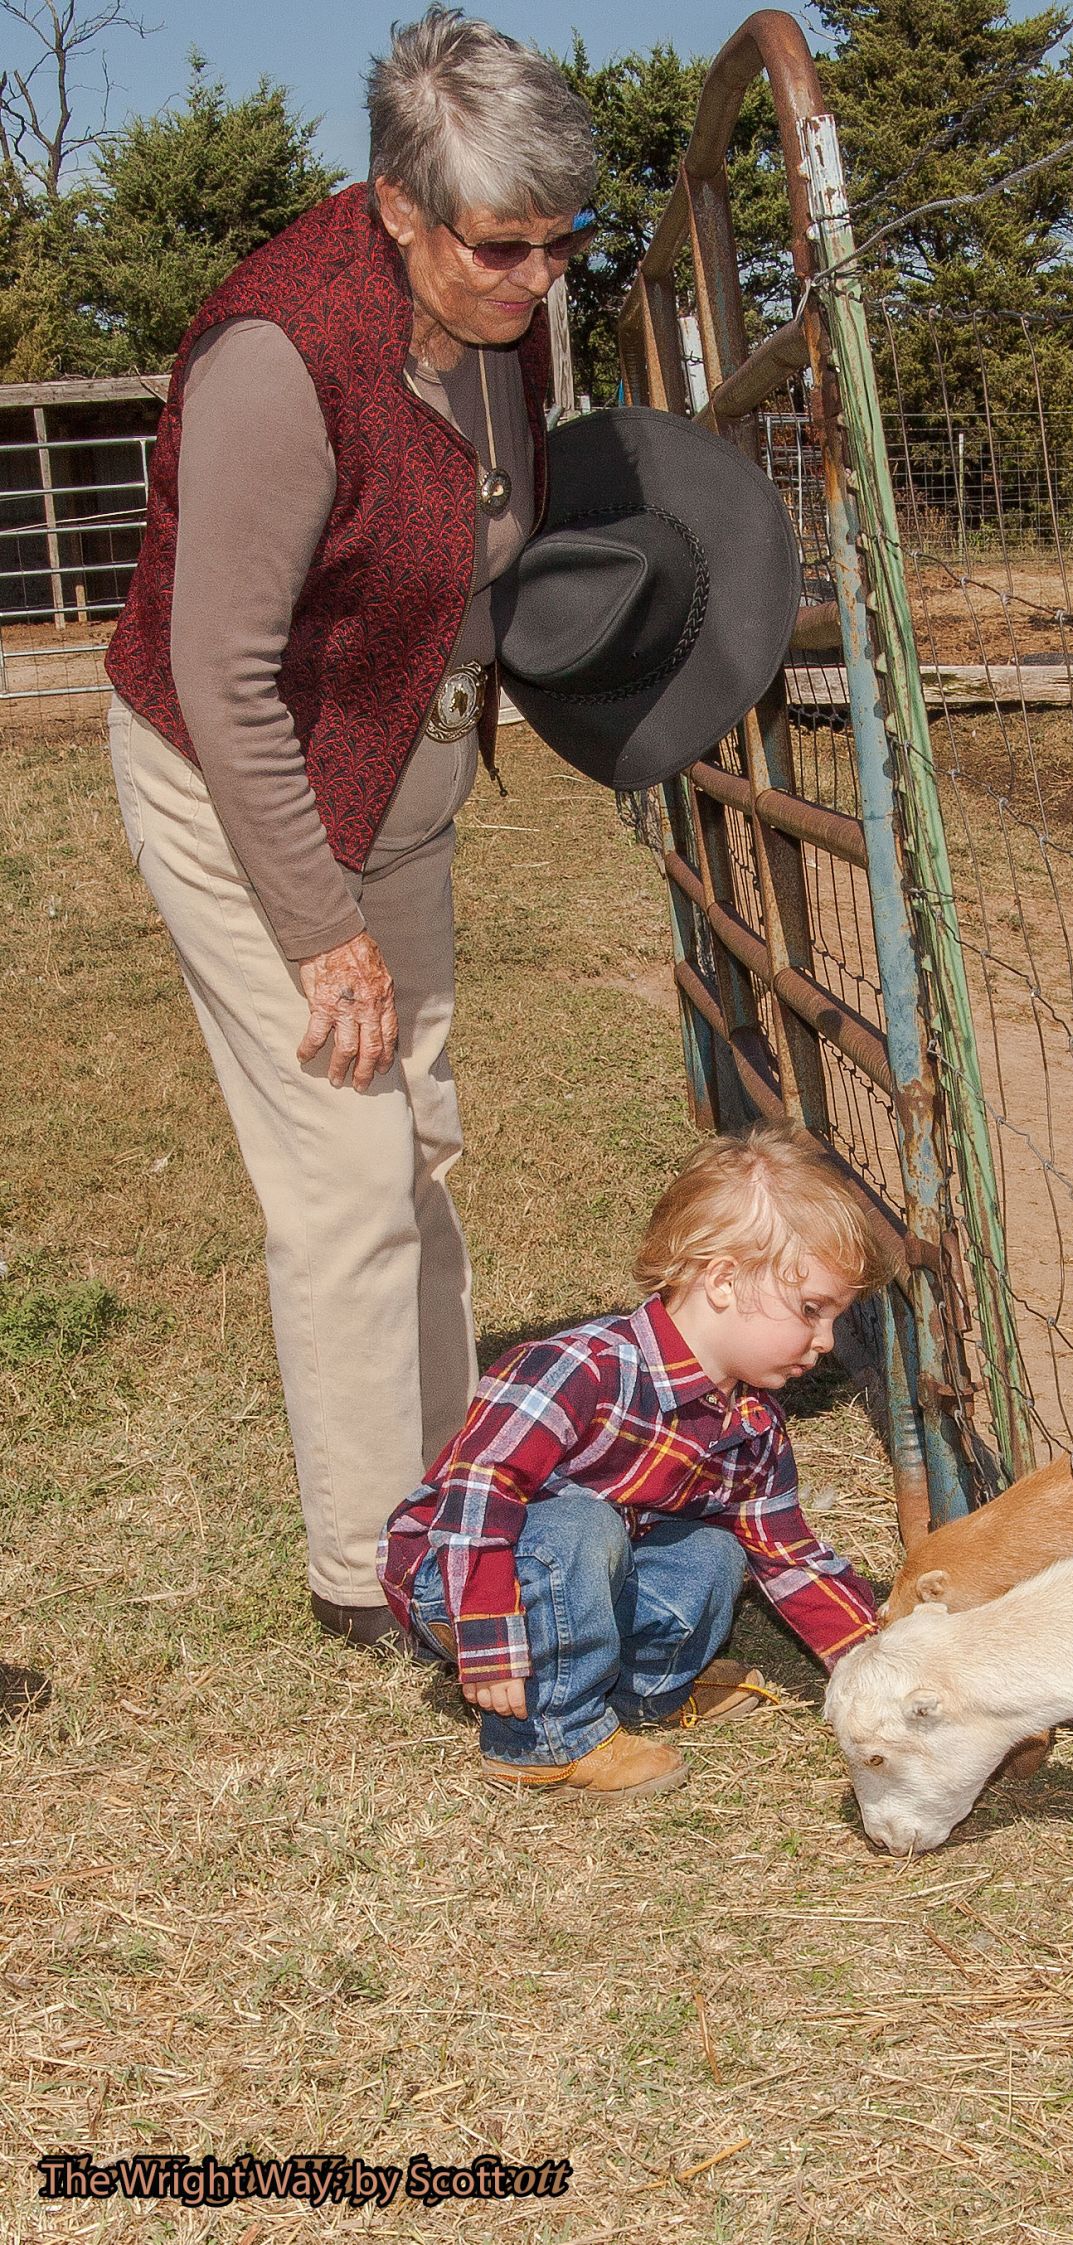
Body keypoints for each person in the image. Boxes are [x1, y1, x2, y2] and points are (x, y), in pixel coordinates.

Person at [102, 11, 597, 1648]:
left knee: (418, 1141)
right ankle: (369, 1568)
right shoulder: (281, 355)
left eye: (561, 243)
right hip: (245, 786)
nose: (536, 279)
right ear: (396, 204)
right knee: (343, 1170)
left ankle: (446, 1486)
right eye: (501, 246)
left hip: (396, 782)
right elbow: (222, 676)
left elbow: (481, 540)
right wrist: (322, 932)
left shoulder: (501, 318)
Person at [378, 1122, 901, 1803]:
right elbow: (479, 1495)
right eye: (811, 1309)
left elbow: (788, 1553)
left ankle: (643, 1687)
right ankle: (546, 1740)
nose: (825, 1340)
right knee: (579, 1526)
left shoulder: (750, 1424)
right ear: (723, 1279)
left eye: (833, 1318)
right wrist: (488, 1634)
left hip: (592, 1573)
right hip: (465, 1577)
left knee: (716, 1551)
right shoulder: (578, 1369)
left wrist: (873, 1659)